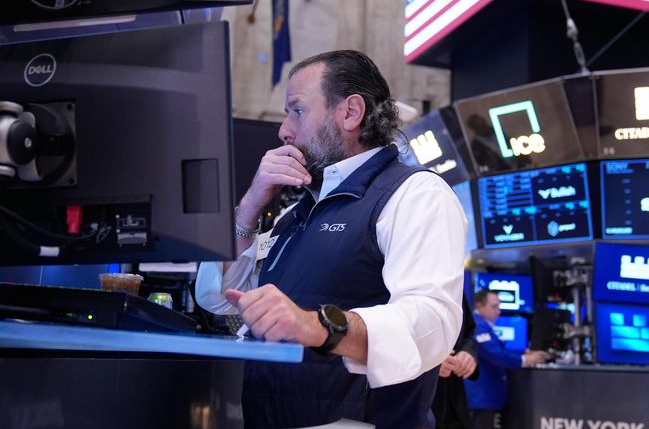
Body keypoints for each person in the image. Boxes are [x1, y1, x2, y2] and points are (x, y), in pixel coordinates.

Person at [195, 50, 467, 428]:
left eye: (297, 110)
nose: (284, 130)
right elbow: (223, 294)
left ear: (351, 112)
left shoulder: (416, 193)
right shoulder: (298, 211)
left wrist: (320, 326)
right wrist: (251, 205)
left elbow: (432, 322)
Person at [465, 289, 550, 429]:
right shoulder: (477, 327)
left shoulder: (484, 326)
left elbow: (500, 351)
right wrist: (524, 360)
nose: (498, 311)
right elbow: (495, 355)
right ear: (479, 306)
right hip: (482, 398)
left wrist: (524, 352)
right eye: (494, 307)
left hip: (486, 398)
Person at [432, 295, 480, 429]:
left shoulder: (455, 284)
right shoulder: (389, 277)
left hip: (454, 401)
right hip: (415, 402)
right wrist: (428, 361)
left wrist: (468, 352)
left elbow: (469, 333)